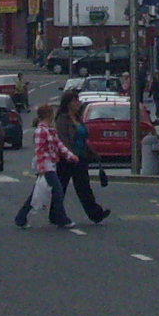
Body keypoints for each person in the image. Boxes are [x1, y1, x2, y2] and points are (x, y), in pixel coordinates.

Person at [15, 103, 75, 228]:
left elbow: (59, 145)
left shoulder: (50, 130)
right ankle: (61, 218)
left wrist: (70, 155)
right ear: (48, 115)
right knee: (57, 190)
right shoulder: (41, 131)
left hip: (51, 164)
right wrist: (41, 168)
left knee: (37, 193)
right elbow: (39, 150)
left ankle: (21, 218)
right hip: (46, 166)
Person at [54, 91, 110, 224]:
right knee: (61, 187)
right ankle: (55, 214)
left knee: (84, 187)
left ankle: (95, 213)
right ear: (68, 104)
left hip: (81, 158)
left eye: (78, 100)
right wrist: (71, 155)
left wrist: (93, 153)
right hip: (67, 159)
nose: (78, 103)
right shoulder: (62, 119)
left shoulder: (78, 118)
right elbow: (63, 140)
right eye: (75, 101)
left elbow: (82, 139)